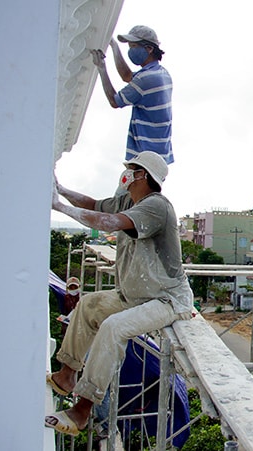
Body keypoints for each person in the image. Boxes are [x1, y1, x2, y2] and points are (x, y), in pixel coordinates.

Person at [45, 151, 193, 436]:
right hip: (133, 295)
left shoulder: (156, 206)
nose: (125, 175)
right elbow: (93, 205)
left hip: (166, 299)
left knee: (114, 328)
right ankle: (67, 376)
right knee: (88, 306)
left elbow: (107, 222)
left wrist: (59, 207)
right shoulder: (128, 200)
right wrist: (60, 191)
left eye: (132, 170)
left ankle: (82, 410)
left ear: (144, 176)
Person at [90, 25, 174, 164]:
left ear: (149, 48)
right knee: (126, 185)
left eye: (133, 46)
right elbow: (127, 75)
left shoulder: (147, 79)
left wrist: (101, 69)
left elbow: (114, 101)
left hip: (146, 157)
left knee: (128, 185)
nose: (131, 51)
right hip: (156, 154)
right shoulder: (160, 73)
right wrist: (114, 46)